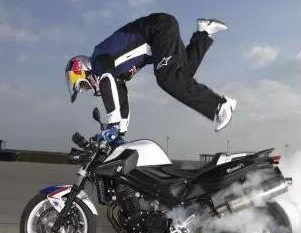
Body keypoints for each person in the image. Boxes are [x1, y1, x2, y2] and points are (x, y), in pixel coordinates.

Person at [65, 13, 237, 145]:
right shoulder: (116, 74)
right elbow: (121, 98)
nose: (88, 89)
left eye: (83, 85)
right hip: (159, 34)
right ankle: (204, 33)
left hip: (158, 29)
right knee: (181, 77)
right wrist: (119, 133)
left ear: (81, 70)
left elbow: (106, 80)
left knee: (168, 79)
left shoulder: (98, 59)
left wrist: (112, 123)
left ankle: (220, 106)